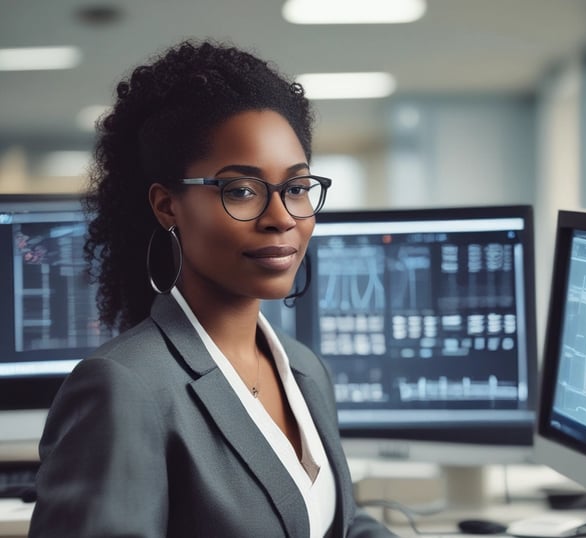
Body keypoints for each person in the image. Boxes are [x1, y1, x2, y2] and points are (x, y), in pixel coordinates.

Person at [29, 39, 398, 538]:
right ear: (167, 206)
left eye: (295, 188)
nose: (281, 219)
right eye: (241, 190)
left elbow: (334, 522)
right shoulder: (124, 387)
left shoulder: (305, 370)